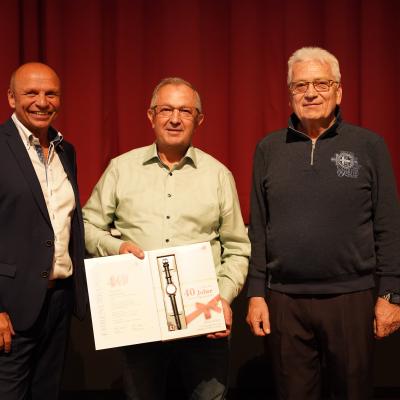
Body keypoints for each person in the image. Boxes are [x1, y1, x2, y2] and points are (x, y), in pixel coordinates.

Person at [246, 47, 400, 400]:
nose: (311, 93)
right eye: (300, 86)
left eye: (321, 84)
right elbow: (259, 228)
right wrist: (256, 294)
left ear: (338, 91)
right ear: (290, 94)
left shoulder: (369, 145)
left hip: (351, 299)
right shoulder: (268, 149)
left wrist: (391, 294)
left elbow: (389, 225)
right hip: (285, 301)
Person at [83, 77, 250, 399]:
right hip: (140, 319)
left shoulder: (218, 175)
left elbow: (237, 247)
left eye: (185, 111)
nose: (175, 119)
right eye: (166, 110)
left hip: (204, 320)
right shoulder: (121, 169)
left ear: (199, 120)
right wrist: (117, 247)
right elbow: (87, 224)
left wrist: (223, 298)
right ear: (151, 116)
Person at [0, 62, 87, 399]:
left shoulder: (67, 150)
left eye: (51, 93)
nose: (42, 101)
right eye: (31, 93)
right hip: (10, 308)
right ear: (11, 98)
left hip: (58, 302)